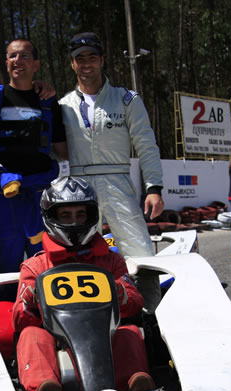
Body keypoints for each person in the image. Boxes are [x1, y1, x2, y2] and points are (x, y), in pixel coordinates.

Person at [13, 176, 155, 391]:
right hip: (57, 339)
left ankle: (136, 388)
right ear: (51, 217)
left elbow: (135, 304)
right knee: (31, 335)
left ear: (92, 215)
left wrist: (116, 289)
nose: (75, 221)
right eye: (66, 215)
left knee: (128, 331)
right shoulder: (36, 266)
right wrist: (31, 297)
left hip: (104, 334)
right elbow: (19, 319)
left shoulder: (111, 260)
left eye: (81, 214)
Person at [59, 32, 163, 310]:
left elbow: (147, 145)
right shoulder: (62, 106)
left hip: (118, 181)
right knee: (77, 251)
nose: (86, 63)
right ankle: (82, 315)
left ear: (102, 59)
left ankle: (151, 318)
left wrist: (154, 187)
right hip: (78, 188)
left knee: (141, 252)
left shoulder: (127, 99)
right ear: (72, 64)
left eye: (92, 56)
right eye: (80, 59)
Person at [0, 38, 69, 299]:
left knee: (46, 265)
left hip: (41, 194)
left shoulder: (49, 101)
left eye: (25, 56)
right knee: (6, 268)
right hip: (3, 195)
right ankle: (7, 321)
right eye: (12, 56)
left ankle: (48, 321)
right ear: (6, 62)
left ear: (37, 64)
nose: (18, 61)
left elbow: (62, 150)